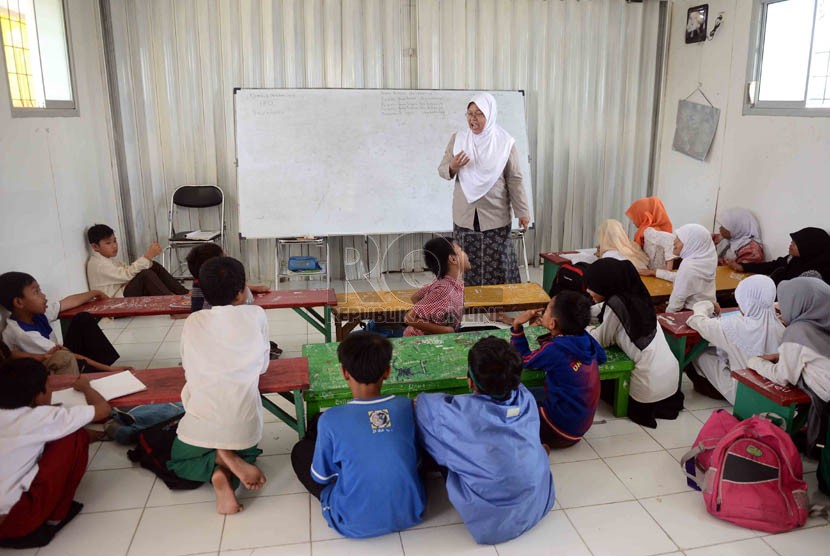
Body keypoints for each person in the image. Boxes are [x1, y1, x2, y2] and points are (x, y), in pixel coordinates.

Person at [415, 336, 554, 545]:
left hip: (495, 523)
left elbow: (422, 404)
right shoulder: (525, 398)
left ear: (470, 380)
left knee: (436, 436)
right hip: (538, 501)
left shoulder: (456, 415)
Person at [291, 331, 425, 538]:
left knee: (300, 451)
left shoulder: (332, 418)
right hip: (410, 512)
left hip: (352, 522)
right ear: (388, 372)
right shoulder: (405, 406)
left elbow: (321, 476)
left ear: (344, 372)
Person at [166, 257, 268, 515]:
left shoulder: (194, 321)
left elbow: (187, 367)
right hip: (242, 423)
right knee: (248, 451)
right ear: (241, 290)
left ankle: (218, 462)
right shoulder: (256, 314)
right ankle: (229, 463)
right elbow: (263, 365)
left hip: (200, 421)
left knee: (178, 462)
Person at [0, 359, 111, 548]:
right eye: (49, 386)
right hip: (17, 524)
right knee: (73, 437)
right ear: (37, 395)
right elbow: (103, 410)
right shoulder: (40, 418)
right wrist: (86, 387)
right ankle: (55, 517)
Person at [439, 92, 530, 286]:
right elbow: (442, 169)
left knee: (497, 264)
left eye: (479, 113)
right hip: (465, 215)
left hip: (495, 215)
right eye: (469, 113)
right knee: (466, 262)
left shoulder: (505, 143)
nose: (473, 119)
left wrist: (522, 211)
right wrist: (453, 166)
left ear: (490, 115)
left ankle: (498, 307)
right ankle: (470, 302)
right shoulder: (459, 139)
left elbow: (514, 179)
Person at [585, 259, 683, 428]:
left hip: (647, 393)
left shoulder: (617, 304)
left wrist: (579, 326)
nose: (588, 291)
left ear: (605, 283)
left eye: (592, 286)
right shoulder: (637, 297)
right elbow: (601, 311)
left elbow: (599, 340)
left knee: (596, 381)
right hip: (670, 385)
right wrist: (577, 311)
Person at [510, 290, 606, 448]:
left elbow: (523, 360)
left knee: (510, 408)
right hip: (580, 426)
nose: (543, 311)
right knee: (535, 393)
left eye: (546, 309)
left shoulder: (555, 349)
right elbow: (601, 357)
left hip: (558, 429)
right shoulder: (585, 338)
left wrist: (517, 326)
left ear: (553, 323)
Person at [748, 277, 830, 454]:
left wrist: (756, 362)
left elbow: (782, 377)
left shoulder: (798, 331)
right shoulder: (824, 318)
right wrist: (781, 355)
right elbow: (815, 353)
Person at [0, 272, 126, 373]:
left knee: (82, 319)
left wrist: (95, 293)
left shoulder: (34, 315)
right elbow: (65, 356)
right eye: (36, 292)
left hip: (59, 355)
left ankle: (104, 367)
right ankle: (104, 371)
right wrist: (109, 370)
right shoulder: (23, 334)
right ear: (19, 302)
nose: (43, 296)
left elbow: (67, 302)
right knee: (72, 358)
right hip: (51, 371)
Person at [686, 275, 784, 404]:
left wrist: (707, 305)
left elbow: (696, 321)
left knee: (701, 354)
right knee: (726, 354)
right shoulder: (782, 325)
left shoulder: (732, 326)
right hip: (777, 393)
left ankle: (711, 389)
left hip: (743, 397)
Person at [86, 224, 188, 297]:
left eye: (115, 241)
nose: (114, 246)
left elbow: (126, 272)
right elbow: (126, 275)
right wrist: (147, 256)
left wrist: (147, 259)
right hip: (114, 300)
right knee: (145, 274)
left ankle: (184, 293)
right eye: (108, 243)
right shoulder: (98, 264)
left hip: (123, 290)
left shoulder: (105, 259)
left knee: (152, 265)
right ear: (95, 246)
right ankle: (171, 305)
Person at [640, 223, 717, 313]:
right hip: (706, 309)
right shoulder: (704, 260)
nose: (674, 242)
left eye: (680, 239)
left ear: (692, 243)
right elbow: (683, 277)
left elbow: (677, 302)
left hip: (691, 313)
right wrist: (654, 272)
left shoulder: (689, 266)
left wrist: (665, 318)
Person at [403, 237, 469, 336]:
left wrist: (431, 318)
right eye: (461, 250)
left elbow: (416, 297)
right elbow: (409, 318)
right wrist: (444, 330)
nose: (466, 254)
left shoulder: (450, 283)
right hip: (418, 341)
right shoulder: (444, 289)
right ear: (453, 259)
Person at [728, 227, 830, 285]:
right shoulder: (794, 259)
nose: (790, 244)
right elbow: (772, 265)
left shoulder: (815, 276)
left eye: (795, 243)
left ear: (808, 248)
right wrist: (743, 267)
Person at [185, 243, 270, 312]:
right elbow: (247, 301)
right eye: (224, 256)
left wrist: (252, 287)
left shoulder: (200, 284)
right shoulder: (227, 296)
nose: (227, 257)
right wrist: (246, 289)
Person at [625, 197, 675, 270]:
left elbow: (670, 240)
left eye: (635, 216)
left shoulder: (649, 231)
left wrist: (668, 271)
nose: (633, 221)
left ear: (642, 215)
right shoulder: (657, 229)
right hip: (656, 274)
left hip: (654, 276)